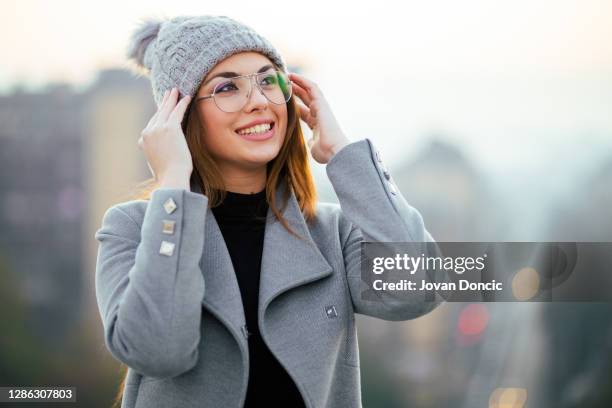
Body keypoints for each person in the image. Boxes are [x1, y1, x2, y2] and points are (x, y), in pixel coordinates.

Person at [94, 14, 442, 408]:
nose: (258, 101)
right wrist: (173, 181)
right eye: (227, 87)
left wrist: (343, 153)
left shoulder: (331, 233)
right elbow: (157, 351)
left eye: (267, 80)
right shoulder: (132, 229)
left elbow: (419, 290)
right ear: (180, 114)